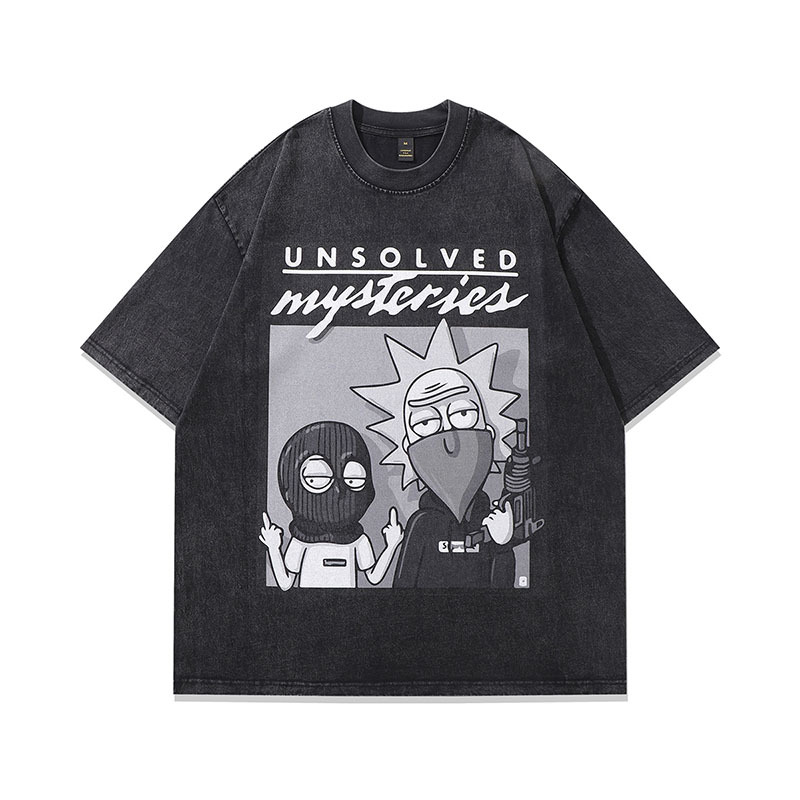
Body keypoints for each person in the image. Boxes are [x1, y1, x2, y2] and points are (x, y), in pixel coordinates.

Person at [259, 421, 403, 589]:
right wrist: (273, 547)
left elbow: (374, 577)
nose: (338, 490)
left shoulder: (358, 540)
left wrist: (392, 545)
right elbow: (285, 583)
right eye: (316, 478)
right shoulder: (301, 540)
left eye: (353, 479)